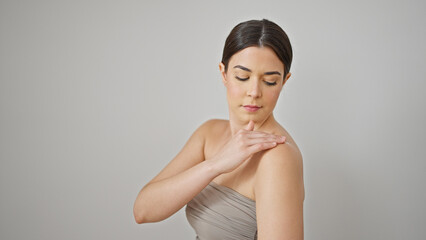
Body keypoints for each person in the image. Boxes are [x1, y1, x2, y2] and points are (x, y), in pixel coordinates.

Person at [133, 19, 305, 240]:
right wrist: (216, 165)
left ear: (284, 81)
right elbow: (143, 210)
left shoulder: (277, 156)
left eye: (270, 81)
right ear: (223, 73)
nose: (254, 91)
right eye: (242, 77)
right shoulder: (209, 133)